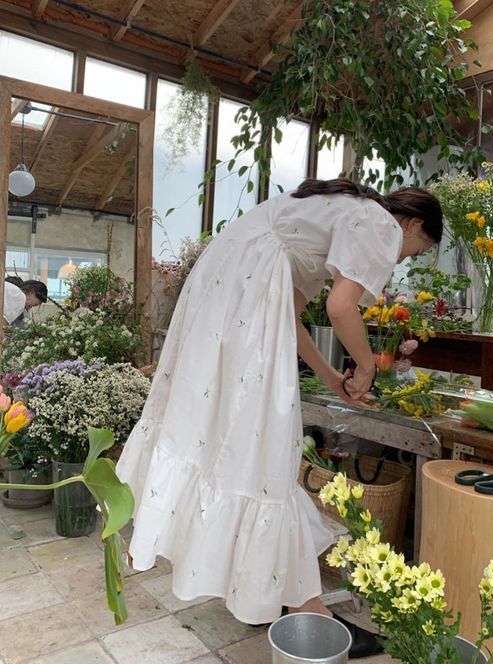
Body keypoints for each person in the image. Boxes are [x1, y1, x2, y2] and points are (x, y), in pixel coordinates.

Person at [116, 177, 442, 658]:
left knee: (228, 439)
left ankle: (302, 605)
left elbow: (291, 313)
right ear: (412, 223)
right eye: (416, 248)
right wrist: (367, 364)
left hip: (229, 288)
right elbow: (340, 306)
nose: (402, 256)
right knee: (262, 448)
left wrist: (332, 375)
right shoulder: (378, 220)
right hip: (242, 295)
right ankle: (305, 609)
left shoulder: (334, 216)